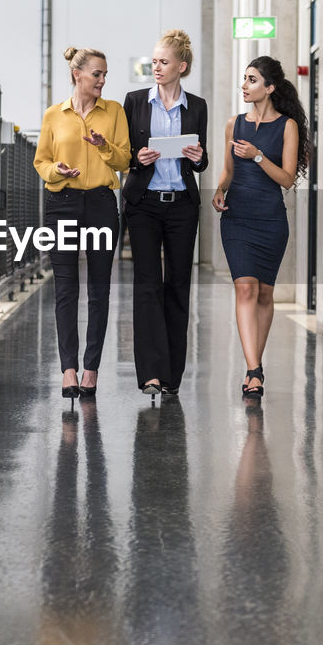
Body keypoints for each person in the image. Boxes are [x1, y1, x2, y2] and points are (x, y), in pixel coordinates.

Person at [34, 47, 131, 399]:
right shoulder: (53, 115)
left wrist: (105, 147)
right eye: (97, 74)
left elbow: (125, 160)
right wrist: (55, 170)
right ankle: (68, 369)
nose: (103, 80)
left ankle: (91, 369)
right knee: (65, 289)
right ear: (77, 75)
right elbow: (41, 160)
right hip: (62, 202)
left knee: (99, 289)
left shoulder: (115, 112)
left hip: (102, 205)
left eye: (105, 75)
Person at [212, 56, 311, 398]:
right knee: (245, 289)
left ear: (269, 88)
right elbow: (227, 170)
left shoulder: (287, 127)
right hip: (237, 216)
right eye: (244, 79)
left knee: (265, 293)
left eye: (251, 80)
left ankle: (256, 363)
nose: (244, 85)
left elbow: (286, 179)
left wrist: (256, 155)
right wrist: (219, 189)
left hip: (270, 219)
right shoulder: (232, 124)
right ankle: (253, 371)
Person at [122, 29, 208, 397]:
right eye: (154, 61)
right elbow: (125, 154)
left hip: (182, 207)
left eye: (163, 62)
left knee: (177, 286)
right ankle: (150, 374)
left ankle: (172, 375)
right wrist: (136, 159)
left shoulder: (198, 106)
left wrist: (200, 158)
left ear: (181, 67)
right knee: (146, 286)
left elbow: (201, 163)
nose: (155, 67)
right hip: (144, 204)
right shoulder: (135, 101)